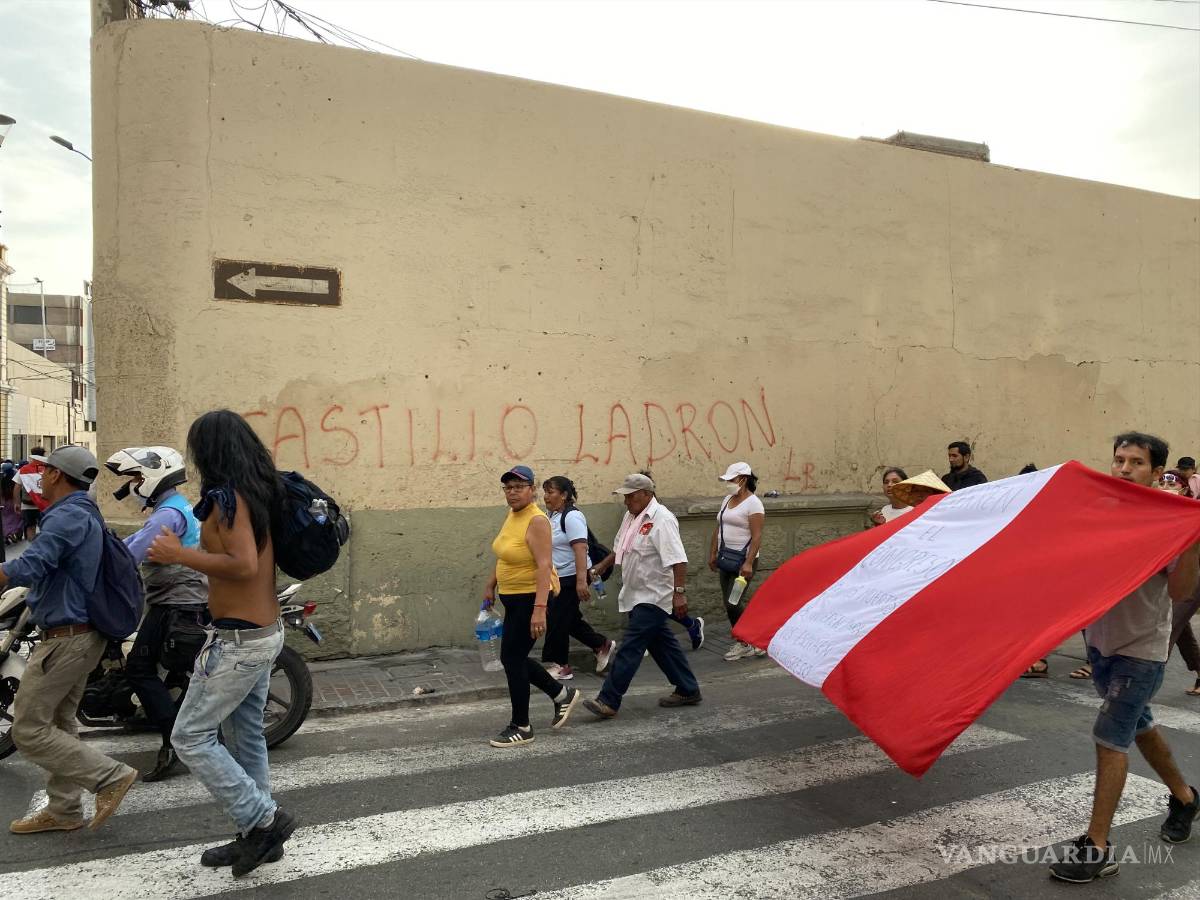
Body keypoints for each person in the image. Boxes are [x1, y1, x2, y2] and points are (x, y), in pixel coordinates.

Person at [146, 411, 295, 877]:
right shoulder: (258, 493)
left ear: (209, 452)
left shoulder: (229, 499)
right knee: (245, 734)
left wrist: (180, 555)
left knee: (189, 735)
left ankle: (263, 821)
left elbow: (244, 564)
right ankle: (257, 836)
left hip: (238, 642)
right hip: (263, 633)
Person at [1049, 432, 1200, 884]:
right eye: (1119, 460)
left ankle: (1097, 847)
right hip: (1100, 644)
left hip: (1142, 652)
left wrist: (1191, 539)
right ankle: (1186, 798)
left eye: (1136, 462)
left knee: (1110, 734)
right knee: (1140, 725)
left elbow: (1180, 592)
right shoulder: (1101, 512)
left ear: (1157, 473)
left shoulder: (1170, 523)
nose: (1124, 468)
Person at [3, 445, 139, 835]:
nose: (39, 475)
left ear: (58, 476)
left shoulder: (65, 517)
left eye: (45, 470)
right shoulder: (82, 512)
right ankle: (63, 810)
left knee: (27, 728)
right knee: (60, 722)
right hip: (78, 633)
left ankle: (109, 776)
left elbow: (32, 565)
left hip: (66, 638)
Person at [106, 446, 209, 782]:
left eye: (136, 477)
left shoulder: (167, 515)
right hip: (172, 598)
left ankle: (174, 739)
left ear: (153, 474)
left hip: (178, 601)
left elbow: (131, 554)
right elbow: (130, 543)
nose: (133, 484)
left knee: (139, 668)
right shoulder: (171, 508)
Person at [584, 473, 701, 719]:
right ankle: (688, 688)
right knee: (662, 644)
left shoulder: (663, 519)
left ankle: (608, 700)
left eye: (630, 495)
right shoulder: (631, 516)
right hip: (635, 593)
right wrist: (601, 567)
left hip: (655, 595)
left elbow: (678, 561)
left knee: (631, 647)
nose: (626, 501)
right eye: (625, 496)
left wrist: (679, 594)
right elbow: (619, 550)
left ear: (647, 494)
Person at [483, 465, 580, 747]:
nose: (512, 492)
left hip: (530, 599)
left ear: (532, 490)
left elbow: (544, 565)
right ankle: (562, 694)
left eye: (519, 487)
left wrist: (539, 609)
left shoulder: (536, 520)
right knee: (513, 658)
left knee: (512, 659)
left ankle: (522, 725)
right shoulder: (513, 515)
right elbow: (504, 554)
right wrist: (491, 584)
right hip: (512, 597)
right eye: (508, 487)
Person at [539, 476, 617, 681]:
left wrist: (582, 581)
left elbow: (581, 549)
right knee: (569, 618)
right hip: (560, 577)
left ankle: (561, 665)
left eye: (551, 492)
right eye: (545, 492)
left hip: (573, 576)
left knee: (556, 618)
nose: (546, 496)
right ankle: (601, 644)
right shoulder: (553, 515)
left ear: (564, 495)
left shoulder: (572, 517)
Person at [711, 462, 767, 662]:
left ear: (743, 479)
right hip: (726, 558)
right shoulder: (727, 500)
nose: (728, 484)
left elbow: (757, 535)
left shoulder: (754, 504)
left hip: (742, 561)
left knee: (732, 603)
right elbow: (718, 527)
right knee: (729, 604)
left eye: (731, 480)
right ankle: (751, 641)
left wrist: (749, 563)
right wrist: (713, 553)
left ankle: (746, 642)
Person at [17, 449, 50, 540]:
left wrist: (17, 503)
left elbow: (17, 487)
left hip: (27, 504)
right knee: (46, 527)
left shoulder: (24, 469)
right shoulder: (49, 469)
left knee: (30, 527)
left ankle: (32, 546)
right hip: (45, 504)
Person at [1, 463, 23, 544]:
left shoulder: (2, 479)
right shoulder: (15, 479)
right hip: (15, 501)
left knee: (6, 519)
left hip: (5, 501)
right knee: (17, 518)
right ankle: (15, 533)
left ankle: (7, 534)